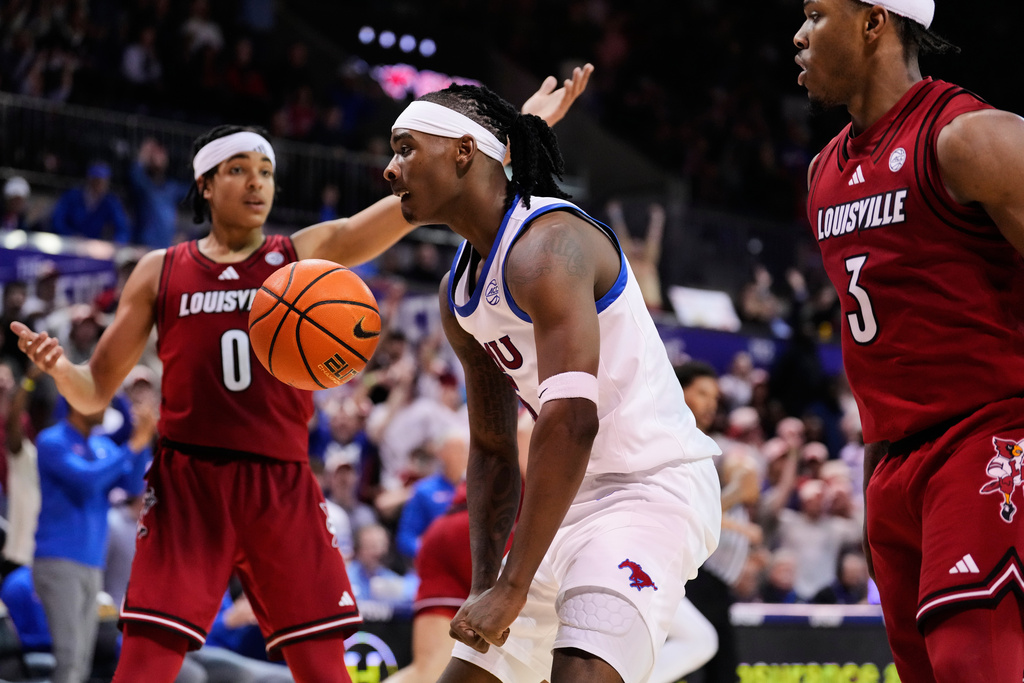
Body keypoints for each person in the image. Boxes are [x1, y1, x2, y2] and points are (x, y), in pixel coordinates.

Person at [10, 68, 594, 683]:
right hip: (189, 481)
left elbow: (404, 210)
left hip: (280, 480)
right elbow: (94, 388)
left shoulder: (297, 256)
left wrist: (516, 134)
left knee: (322, 668)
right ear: (205, 184)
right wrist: (61, 371)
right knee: (144, 665)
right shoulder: (162, 270)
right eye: (238, 170)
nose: (257, 183)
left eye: (265, 172)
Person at [384, 81, 721, 683]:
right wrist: (488, 583)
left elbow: (572, 418)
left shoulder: (549, 244)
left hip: (650, 488)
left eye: (406, 148)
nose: (390, 168)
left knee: (580, 672)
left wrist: (512, 589)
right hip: (566, 497)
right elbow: (491, 449)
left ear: (464, 152)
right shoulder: (457, 293)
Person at [794, 0, 1024, 679]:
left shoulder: (969, 138)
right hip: (893, 466)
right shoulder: (822, 176)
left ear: (874, 22)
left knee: (972, 661)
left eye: (815, 13)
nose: (798, 35)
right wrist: (876, 486)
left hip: (988, 432)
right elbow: (873, 352)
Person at [33, 395, 155, 683]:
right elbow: (88, 481)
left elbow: (133, 484)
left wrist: (144, 439)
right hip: (59, 560)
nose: (106, 409)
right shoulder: (52, 441)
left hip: (92, 561)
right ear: (78, 402)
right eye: (99, 400)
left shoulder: (101, 446)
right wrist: (133, 445)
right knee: (70, 656)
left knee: (84, 660)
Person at [50, 162, 132, 243]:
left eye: (103, 182)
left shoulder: (110, 201)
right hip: (69, 242)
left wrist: (116, 244)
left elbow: (122, 228)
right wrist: (69, 235)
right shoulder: (73, 196)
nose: (100, 186)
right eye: (97, 181)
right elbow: (57, 220)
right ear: (90, 180)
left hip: (93, 245)